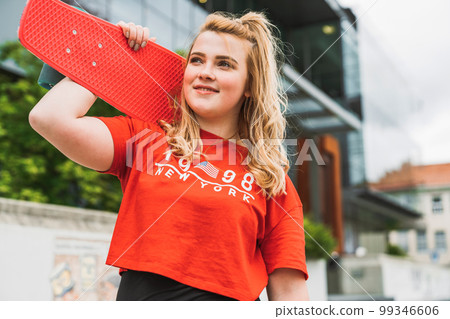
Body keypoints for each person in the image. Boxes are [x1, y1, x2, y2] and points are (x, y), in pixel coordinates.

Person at [29, 11, 309, 301]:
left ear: (250, 85)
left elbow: (290, 292)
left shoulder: (270, 181)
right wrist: (110, 52)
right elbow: (49, 118)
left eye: (224, 64)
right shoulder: (146, 140)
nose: (205, 72)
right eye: (197, 60)